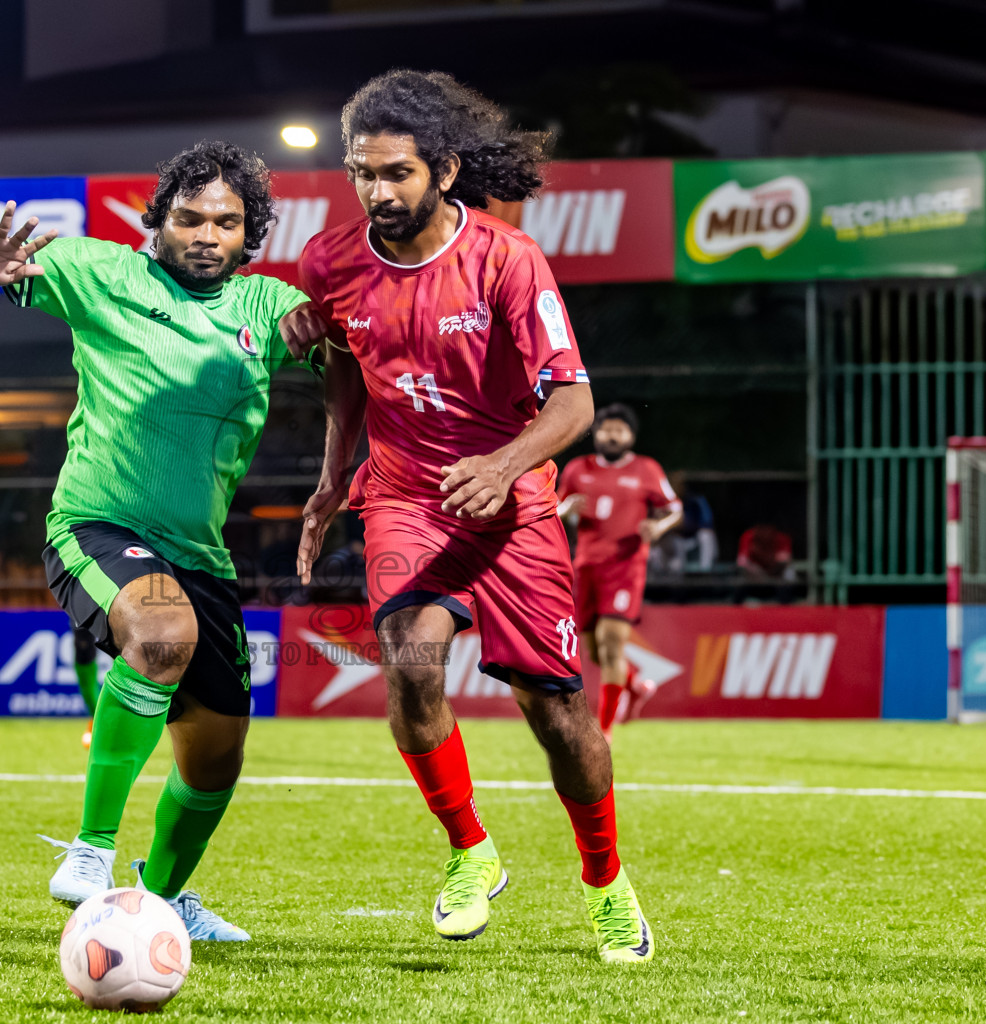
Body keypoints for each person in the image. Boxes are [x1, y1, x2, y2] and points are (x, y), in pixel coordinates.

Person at [293, 70, 653, 962]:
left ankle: (606, 882)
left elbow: (571, 404)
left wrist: (502, 465)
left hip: (513, 506)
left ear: (445, 169)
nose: (377, 192)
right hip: (406, 499)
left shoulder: (506, 259)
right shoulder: (330, 262)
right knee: (410, 665)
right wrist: (336, 474)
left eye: (396, 173)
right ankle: (469, 852)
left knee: (559, 716)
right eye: (361, 173)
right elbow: (342, 361)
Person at [0, 140, 327, 940]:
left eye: (227, 223)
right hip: (98, 523)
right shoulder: (102, 272)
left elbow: (336, 337)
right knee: (161, 634)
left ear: (249, 234)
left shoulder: (266, 306)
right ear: (158, 220)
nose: (205, 234)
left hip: (202, 555)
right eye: (189, 217)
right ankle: (90, 851)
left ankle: (158, 901)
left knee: (217, 755)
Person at [557, 404, 683, 739]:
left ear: (631, 435)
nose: (611, 435)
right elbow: (554, 510)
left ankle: (606, 729)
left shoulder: (646, 469)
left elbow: (673, 508)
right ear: (595, 433)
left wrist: (658, 527)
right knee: (596, 651)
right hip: (585, 567)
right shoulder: (576, 469)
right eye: (605, 429)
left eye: (619, 430)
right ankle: (637, 686)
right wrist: (565, 509)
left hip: (625, 567)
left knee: (610, 644)